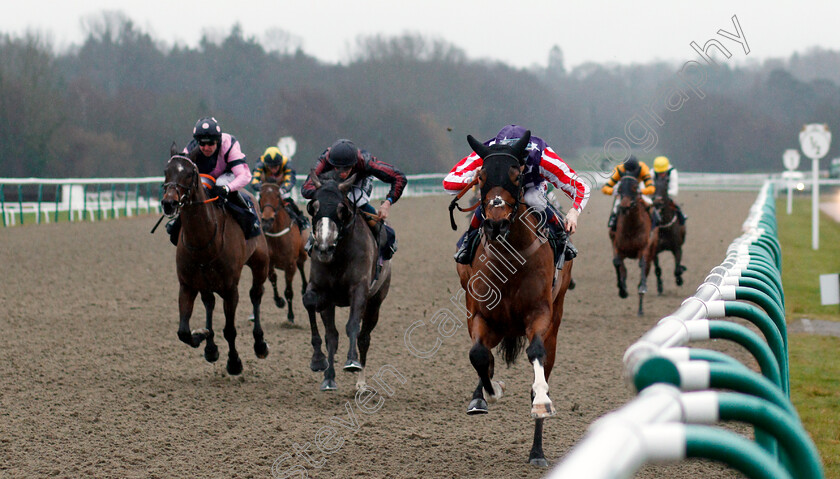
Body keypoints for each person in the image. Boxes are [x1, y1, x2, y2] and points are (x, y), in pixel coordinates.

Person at [443, 124, 590, 266]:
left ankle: (560, 237)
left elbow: (581, 186)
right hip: (501, 189)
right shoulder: (490, 153)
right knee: (488, 202)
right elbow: (449, 182)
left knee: (533, 199)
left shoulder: (543, 157)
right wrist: (472, 179)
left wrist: (574, 212)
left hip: (531, 187)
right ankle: (469, 240)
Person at [300, 139, 407, 262]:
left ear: (354, 163)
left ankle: (386, 236)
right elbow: (306, 188)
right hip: (332, 184)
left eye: (347, 168)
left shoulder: (366, 161)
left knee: (356, 203)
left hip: (359, 182)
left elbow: (399, 177)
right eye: (338, 168)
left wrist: (387, 203)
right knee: (328, 206)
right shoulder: (325, 159)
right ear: (331, 162)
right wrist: (328, 195)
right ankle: (315, 238)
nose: (343, 173)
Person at [165, 117, 260, 245]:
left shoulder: (228, 145)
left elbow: (245, 176)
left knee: (220, 183)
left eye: (211, 144)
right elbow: (181, 171)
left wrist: (227, 188)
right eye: (202, 144)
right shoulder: (191, 148)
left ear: (218, 141)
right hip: (206, 176)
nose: (206, 147)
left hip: (227, 174)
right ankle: (178, 223)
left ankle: (248, 218)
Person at [251, 146, 309, 230]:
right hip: (266, 188)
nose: (274, 170)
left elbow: (290, 180)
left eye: (276, 166)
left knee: (289, 201)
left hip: (280, 187)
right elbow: (254, 181)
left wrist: (283, 189)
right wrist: (262, 189)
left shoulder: (286, 163)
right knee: (256, 203)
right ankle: (252, 223)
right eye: (271, 167)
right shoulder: (260, 163)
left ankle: (301, 220)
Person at [601, 155, 655, 231]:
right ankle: (612, 223)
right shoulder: (619, 169)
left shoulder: (643, 168)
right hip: (624, 189)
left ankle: (653, 224)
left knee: (650, 203)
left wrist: (641, 191)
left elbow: (651, 188)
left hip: (638, 187)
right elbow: (605, 188)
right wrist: (613, 191)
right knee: (616, 205)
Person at [652, 155, 687, 225]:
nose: (660, 174)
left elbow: (674, 190)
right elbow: (649, 187)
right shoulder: (652, 172)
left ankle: (681, 219)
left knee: (675, 206)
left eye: (662, 172)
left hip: (667, 196)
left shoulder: (672, 172)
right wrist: (653, 197)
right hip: (654, 196)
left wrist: (663, 196)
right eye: (659, 173)